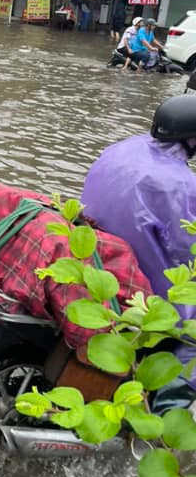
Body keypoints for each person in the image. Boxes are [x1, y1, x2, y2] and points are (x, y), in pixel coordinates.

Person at [82, 95, 196, 399]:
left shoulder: (123, 147)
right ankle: (164, 408)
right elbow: (186, 247)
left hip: (97, 256)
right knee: (192, 337)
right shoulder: (180, 183)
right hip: (141, 281)